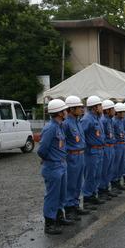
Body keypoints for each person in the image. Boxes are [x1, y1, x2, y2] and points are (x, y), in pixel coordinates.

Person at [38, 99, 70, 235]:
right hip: (53, 166)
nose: (67, 112)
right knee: (52, 195)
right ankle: (49, 224)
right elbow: (41, 150)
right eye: (65, 110)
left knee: (61, 194)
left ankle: (58, 216)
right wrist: (49, 159)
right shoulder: (50, 128)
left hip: (61, 164)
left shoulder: (60, 126)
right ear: (59, 113)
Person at [61, 95, 90, 220]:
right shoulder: (66, 124)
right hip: (72, 156)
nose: (82, 109)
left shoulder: (78, 122)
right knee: (71, 183)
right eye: (79, 107)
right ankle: (69, 209)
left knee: (78, 182)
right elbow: (62, 142)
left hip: (80, 155)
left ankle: (75, 204)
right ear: (71, 109)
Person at [81, 96, 105, 207]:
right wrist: (86, 147)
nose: (102, 107)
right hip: (91, 151)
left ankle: (93, 194)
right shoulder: (87, 119)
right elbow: (82, 135)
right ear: (94, 107)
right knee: (90, 175)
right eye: (100, 105)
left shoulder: (97, 118)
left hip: (99, 150)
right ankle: (87, 197)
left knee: (97, 174)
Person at [98, 100, 118, 201]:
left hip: (111, 146)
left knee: (109, 169)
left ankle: (106, 188)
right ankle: (102, 190)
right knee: (104, 169)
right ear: (107, 110)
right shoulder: (104, 120)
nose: (114, 111)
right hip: (106, 147)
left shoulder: (110, 120)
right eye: (112, 109)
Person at [111, 103, 125, 192]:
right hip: (117, 144)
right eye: (121, 112)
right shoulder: (114, 121)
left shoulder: (122, 121)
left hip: (122, 144)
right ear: (117, 113)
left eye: (124, 112)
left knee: (121, 164)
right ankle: (114, 182)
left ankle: (118, 180)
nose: (123, 114)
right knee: (116, 164)